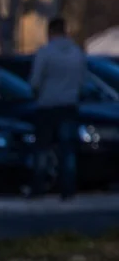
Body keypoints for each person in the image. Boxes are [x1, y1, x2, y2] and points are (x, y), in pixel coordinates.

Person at [30, 17, 86, 199]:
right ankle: (68, 190)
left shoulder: (45, 52)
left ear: (50, 32)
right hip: (69, 105)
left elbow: (35, 81)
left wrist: (38, 93)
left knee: (42, 149)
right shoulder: (77, 53)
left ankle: (39, 188)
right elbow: (82, 81)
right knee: (68, 150)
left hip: (47, 105)